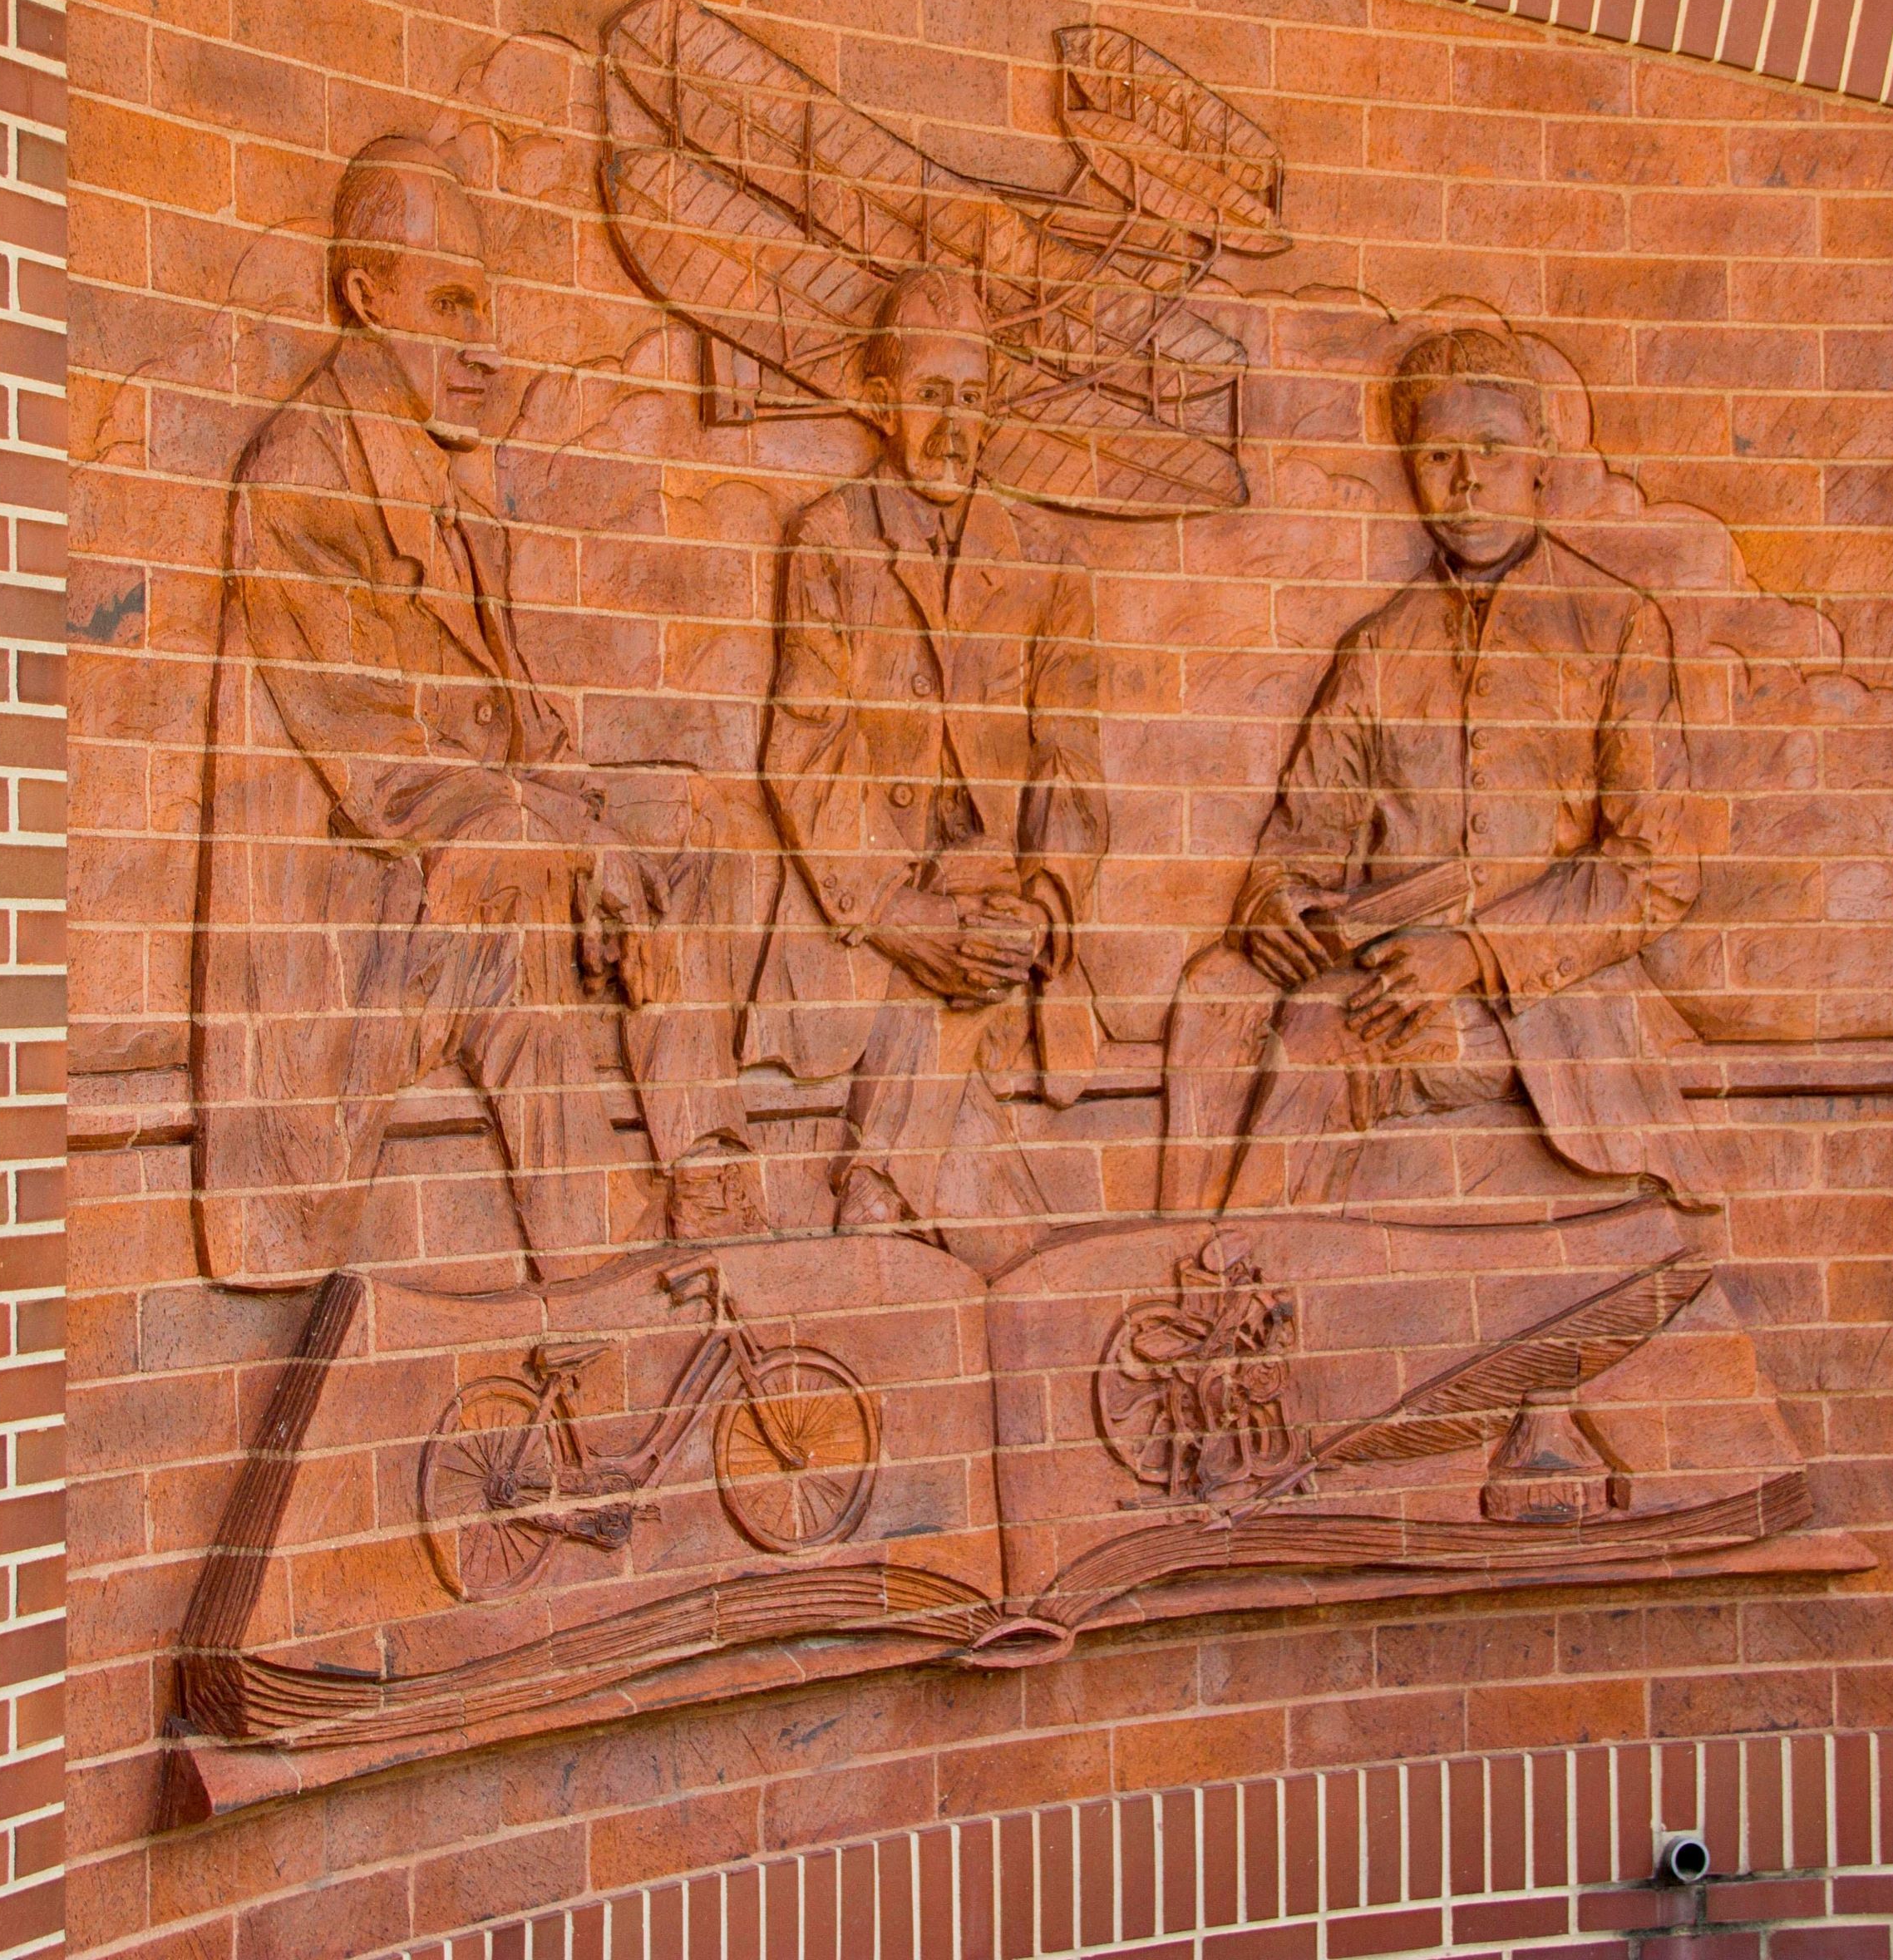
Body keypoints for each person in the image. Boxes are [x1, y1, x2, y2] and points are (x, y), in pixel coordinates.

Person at [191, 133, 763, 1284]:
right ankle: (591, 1271)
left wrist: (603, 828)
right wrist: (573, 843)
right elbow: (381, 768)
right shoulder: (303, 469)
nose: (482, 347)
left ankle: (708, 1190)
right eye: (451, 304)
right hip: (358, 912)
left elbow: (523, 732)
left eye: (485, 309)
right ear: (365, 295)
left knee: (694, 827)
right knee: (520, 869)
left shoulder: (454, 480)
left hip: (463, 877)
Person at [1159, 325, 1716, 1218]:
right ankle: (1174, 1260)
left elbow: (1655, 870)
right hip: (1382, 955)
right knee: (1212, 996)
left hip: (1546, 995)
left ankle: (1234, 1296)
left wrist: (1475, 953)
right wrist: (1278, 909)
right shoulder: (1381, 644)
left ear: (1540, 461)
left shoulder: (1618, 625)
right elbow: (1298, 842)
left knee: (1320, 1032)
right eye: (1438, 455)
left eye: (1492, 451)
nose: (1465, 482)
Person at [749, 268, 1108, 1274]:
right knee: (941, 990)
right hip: (871, 910)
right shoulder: (830, 538)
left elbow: (1073, 770)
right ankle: (1029, 1275)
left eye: (972, 396)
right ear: (879, 396)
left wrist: (1049, 907)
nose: (954, 424)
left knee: (976, 960)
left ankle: (875, 1198)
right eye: (931, 393)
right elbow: (806, 756)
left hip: (1002, 920)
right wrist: (900, 915)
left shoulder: (1047, 561)